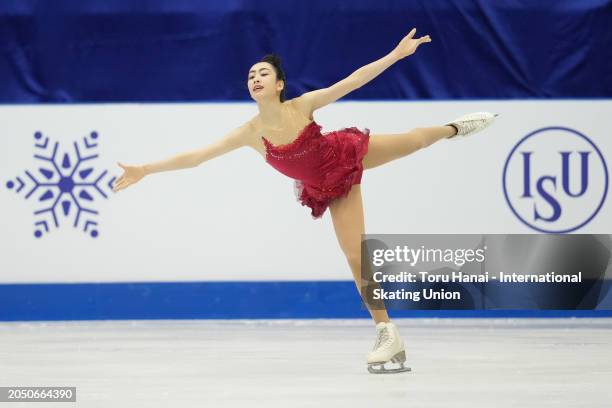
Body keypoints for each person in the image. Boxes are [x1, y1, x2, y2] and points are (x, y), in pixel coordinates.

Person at [112, 28, 498, 374]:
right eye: (250, 75)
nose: (255, 78)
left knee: (413, 140)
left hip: (343, 155)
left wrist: (395, 55)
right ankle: (387, 331)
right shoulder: (249, 132)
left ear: (279, 84)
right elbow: (196, 157)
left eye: (263, 73)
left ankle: (454, 128)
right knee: (355, 256)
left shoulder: (301, 106)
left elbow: (352, 81)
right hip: (327, 188)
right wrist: (145, 169)